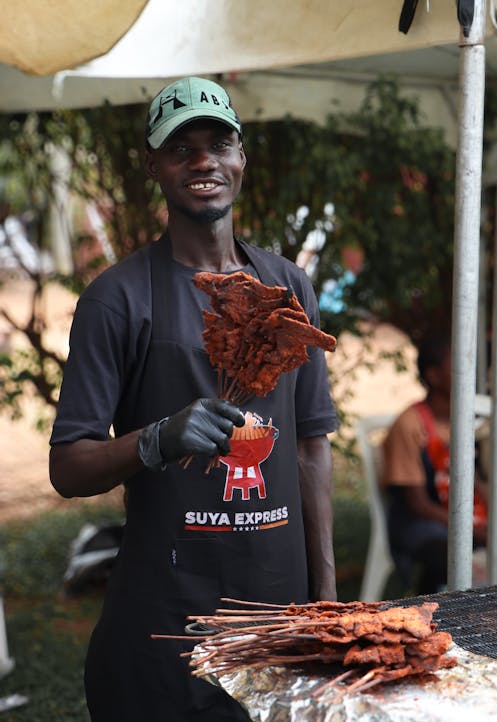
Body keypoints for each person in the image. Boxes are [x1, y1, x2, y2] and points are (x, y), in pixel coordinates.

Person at [49, 76, 337, 722]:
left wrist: (325, 594)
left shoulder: (287, 288)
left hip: (276, 607)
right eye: (182, 149)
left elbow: (312, 443)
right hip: (165, 622)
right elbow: (67, 467)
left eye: (219, 144)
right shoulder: (117, 299)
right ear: (153, 165)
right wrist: (155, 439)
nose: (204, 161)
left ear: (241, 157)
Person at [382, 335, 488, 595]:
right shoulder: (409, 425)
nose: (468, 371)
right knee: (449, 554)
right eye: (457, 364)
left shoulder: (468, 423)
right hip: (420, 522)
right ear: (433, 375)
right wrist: (472, 528)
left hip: (464, 516)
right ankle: (427, 600)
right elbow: (417, 504)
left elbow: (479, 483)